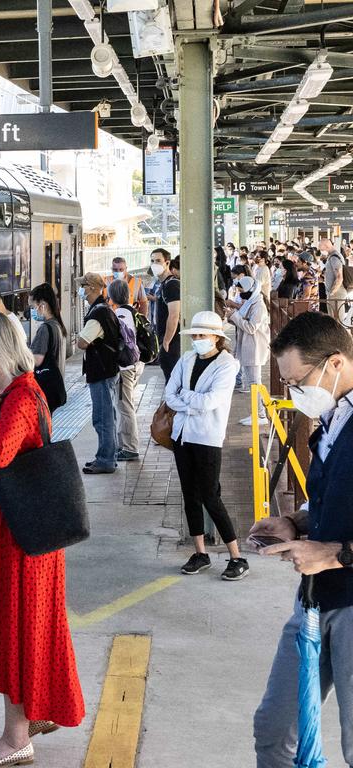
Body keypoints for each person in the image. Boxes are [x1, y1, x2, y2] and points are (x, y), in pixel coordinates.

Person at [0, 312, 85, 768]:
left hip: (20, 544)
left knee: (16, 635)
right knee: (22, 629)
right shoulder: (11, 394)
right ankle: (35, 711)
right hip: (16, 538)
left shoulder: (19, 398)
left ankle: (16, 740)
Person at [251, 311, 353, 767]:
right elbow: (332, 495)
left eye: (298, 382)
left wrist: (336, 553)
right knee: (274, 729)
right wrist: (297, 522)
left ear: (335, 364)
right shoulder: (333, 418)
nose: (294, 395)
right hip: (314, 601)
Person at [164, 311, 248, 580]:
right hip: (182, 436)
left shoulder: (227, 365)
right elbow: (169, 395)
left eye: (202, 335)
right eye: (195, 335)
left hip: (207, 438)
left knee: (211, 497)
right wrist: (191, 401)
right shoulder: (187, 359)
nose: (197, 340)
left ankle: (237, 556)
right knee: (190, 495)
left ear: (216, 337)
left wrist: (185, 399)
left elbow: (210, 402)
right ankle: (200, 553)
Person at [76, 272, 121, 474]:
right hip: (107, 370)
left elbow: (81, 343)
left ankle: (105, 460)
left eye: (84, 286)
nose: (81, 290)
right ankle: (108, 455)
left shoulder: (98, 314)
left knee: (102, 418)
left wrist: (84, 339)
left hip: (101, 372)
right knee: (107, 416)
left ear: (93, 288)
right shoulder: (104, 309)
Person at [108, 279, 143, 462]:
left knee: (125, 407)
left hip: (124, 368)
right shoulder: (130, 310)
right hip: (132, 364)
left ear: (112, 296)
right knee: (124, 406)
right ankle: (126, 445)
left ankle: (130, 448)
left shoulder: (120, 313)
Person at [227, 275, 270, 424]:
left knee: (254, 382)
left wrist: (234, 316)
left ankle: (260, 415)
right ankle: (257, 413)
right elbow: (241, 319)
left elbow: (251, 328)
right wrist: (232, 317)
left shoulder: (259, 306)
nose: (240, 294)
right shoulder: (250, 301)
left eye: (242, 290)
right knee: (252, 381)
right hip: (248, 346)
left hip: (255, 347)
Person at [151, 250, 181, 381]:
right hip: (165, 339)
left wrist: (166, 341)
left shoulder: (172, 284)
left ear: (167, 263)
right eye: (152, 261)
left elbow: (174, 315)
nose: (154, 264)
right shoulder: (163, 284)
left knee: (172, 379)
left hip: (172, 342)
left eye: (158, 261)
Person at [28, 282, 66, 379]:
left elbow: (36, 360)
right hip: (56, 386)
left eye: (32, 307)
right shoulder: (57, 324)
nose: (31, 311)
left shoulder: (45, 328)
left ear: (42, 306)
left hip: (46, 388)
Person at [321, 236, 350, 319]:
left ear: (327, 246)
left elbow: (339, 277)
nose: (321, 251)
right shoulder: (333, 256)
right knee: (333, 319)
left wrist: (332, 293)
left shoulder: (334, 258)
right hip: (335, 292)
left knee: (336, 319)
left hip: (337, 293)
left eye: (321, 248)